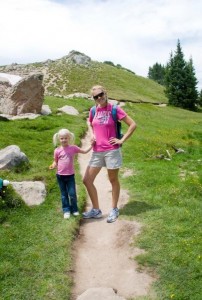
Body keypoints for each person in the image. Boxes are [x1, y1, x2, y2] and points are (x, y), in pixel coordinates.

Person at [82, 85, 137, 223]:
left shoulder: (114, 109)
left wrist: (122, 139)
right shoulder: (93, 110)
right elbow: (90, 123)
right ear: (93, 98)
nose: (99, 98)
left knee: (113, 180)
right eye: (96, 96)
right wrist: (92, 134)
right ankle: (96, 210)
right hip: (97, 152)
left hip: (112, 151)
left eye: (101, 94)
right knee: (87, 180)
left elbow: (133, 124)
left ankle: (114, 209)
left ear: (105, 93)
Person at [49, 128, 93, 219]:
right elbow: (55, 161)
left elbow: (84, 151)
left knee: (72, 193)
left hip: (70, 176)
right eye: (62, 138)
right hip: (60, 176)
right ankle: (66, 210)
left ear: (69, 138)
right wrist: (53, 165)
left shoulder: (73, 148)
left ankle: (74, 209)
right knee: (64, 194)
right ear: (59, 139)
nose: (64, 140)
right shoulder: (57, 150)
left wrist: (92, 145)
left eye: (65, 138)